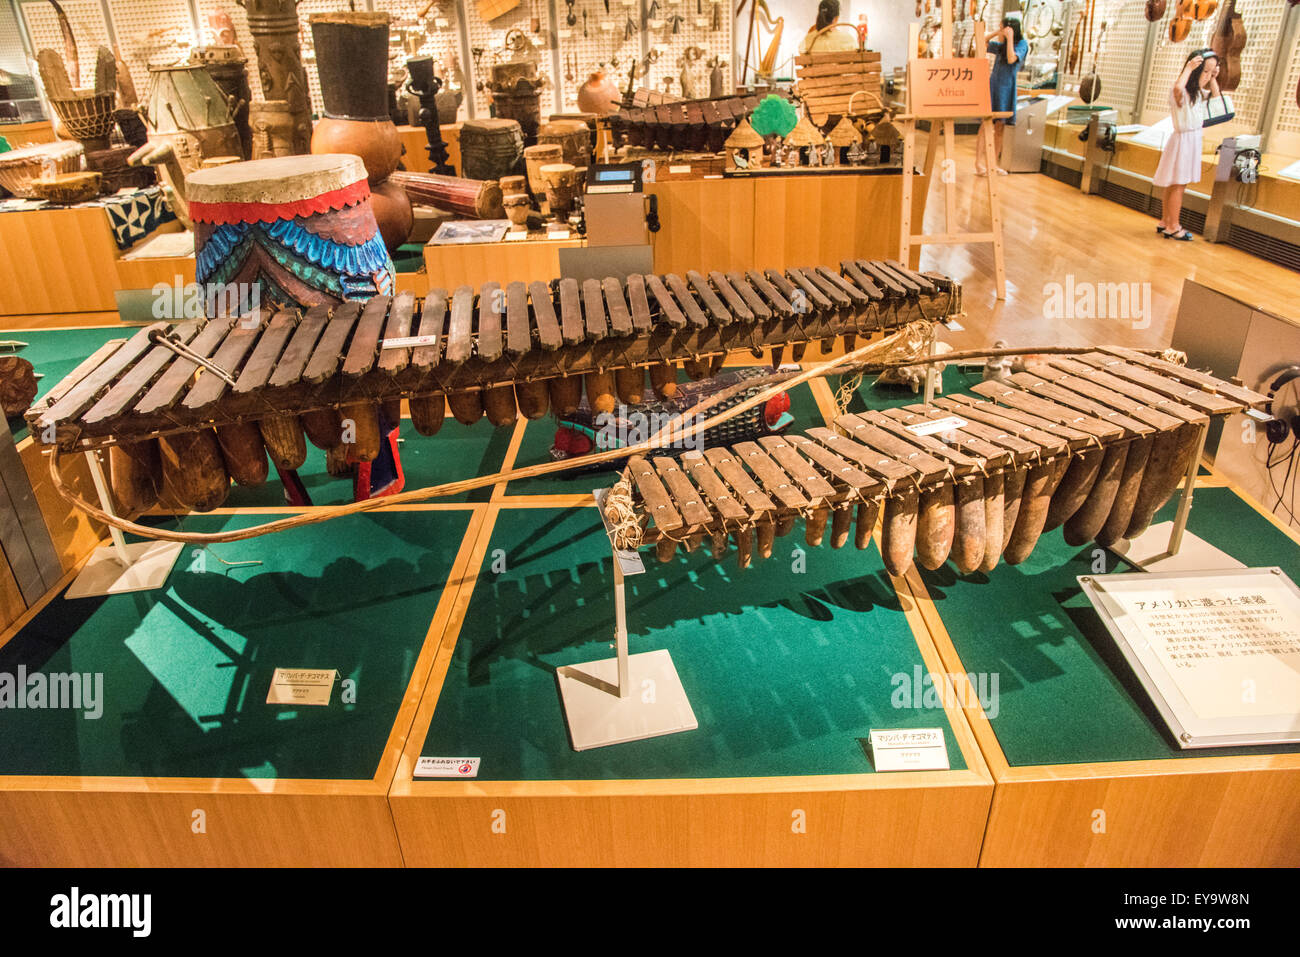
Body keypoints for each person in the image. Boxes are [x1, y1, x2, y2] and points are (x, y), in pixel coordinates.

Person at [1155, 49, 1219, 241]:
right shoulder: (1181, 92)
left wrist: (1214, 78)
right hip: (1183, 141)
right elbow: (1177, 88)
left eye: (1210, 72)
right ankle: (1173, 225)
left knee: (1175, 183)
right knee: (1178, 185)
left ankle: (1166, 221)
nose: (1207, 76)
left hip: (1190, 140)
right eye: (1204, 71)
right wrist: (1189, 68)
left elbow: (1218, 101)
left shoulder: (1199, 94)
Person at [977, 14, 1028, 176]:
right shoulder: (1000, 45)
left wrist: (1010, 38)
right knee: (986, 124)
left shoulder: (1022, 44)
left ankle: (992, 164)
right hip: (994, 86)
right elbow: (981, 42)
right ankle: (978, 164)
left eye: (1003, 27)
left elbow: (1012, 59)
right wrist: (997, 32)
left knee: (1000, 128)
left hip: (1008, 88)